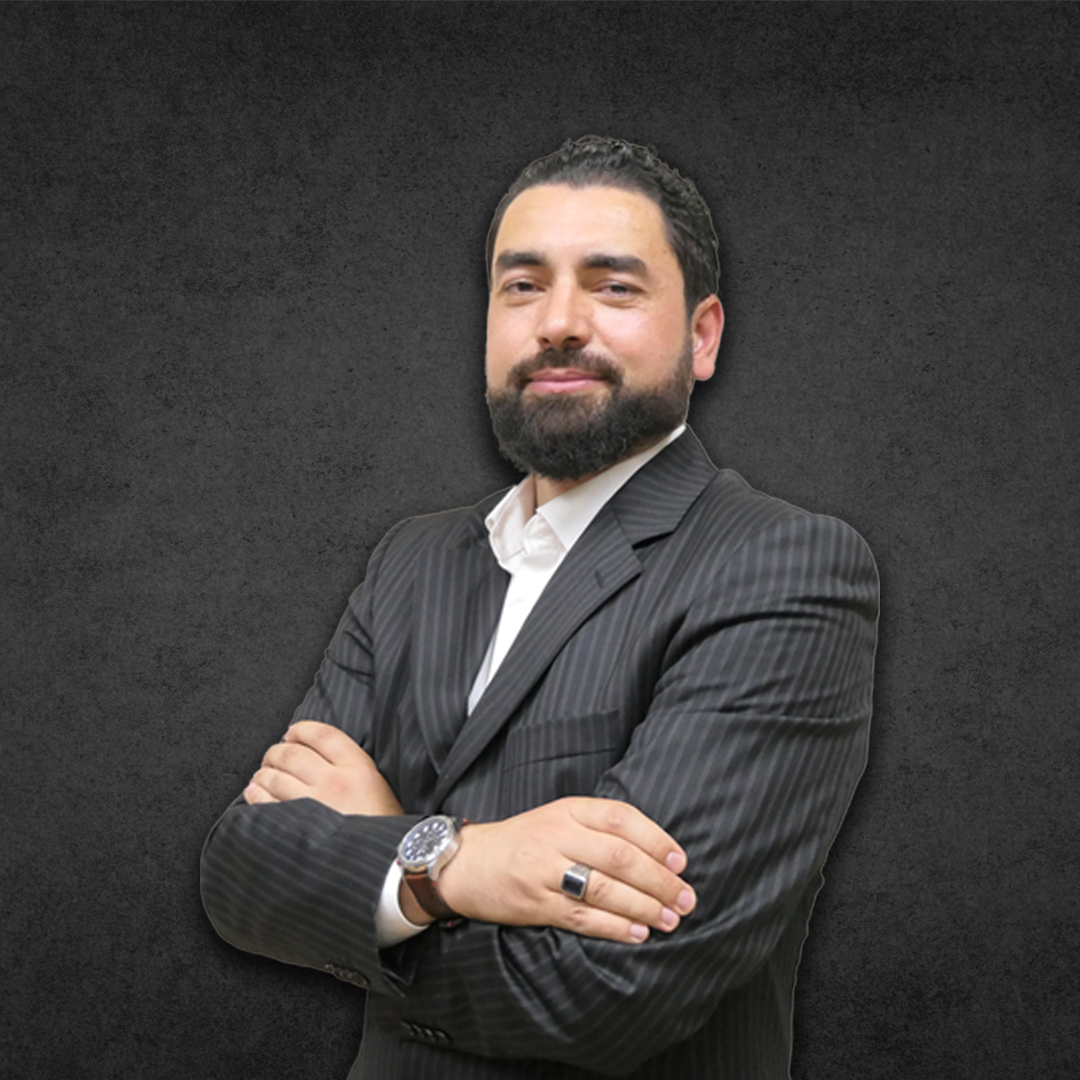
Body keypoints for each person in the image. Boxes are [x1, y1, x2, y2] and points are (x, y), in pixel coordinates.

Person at [200, 136, 879, 1080]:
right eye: (522, 286)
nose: (558, 322)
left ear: (702, 335)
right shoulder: (410, 562)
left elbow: (605, 994)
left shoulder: (782, 566)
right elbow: (241, 874)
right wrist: (462, 862)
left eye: (613, 286)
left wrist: (384, 873)